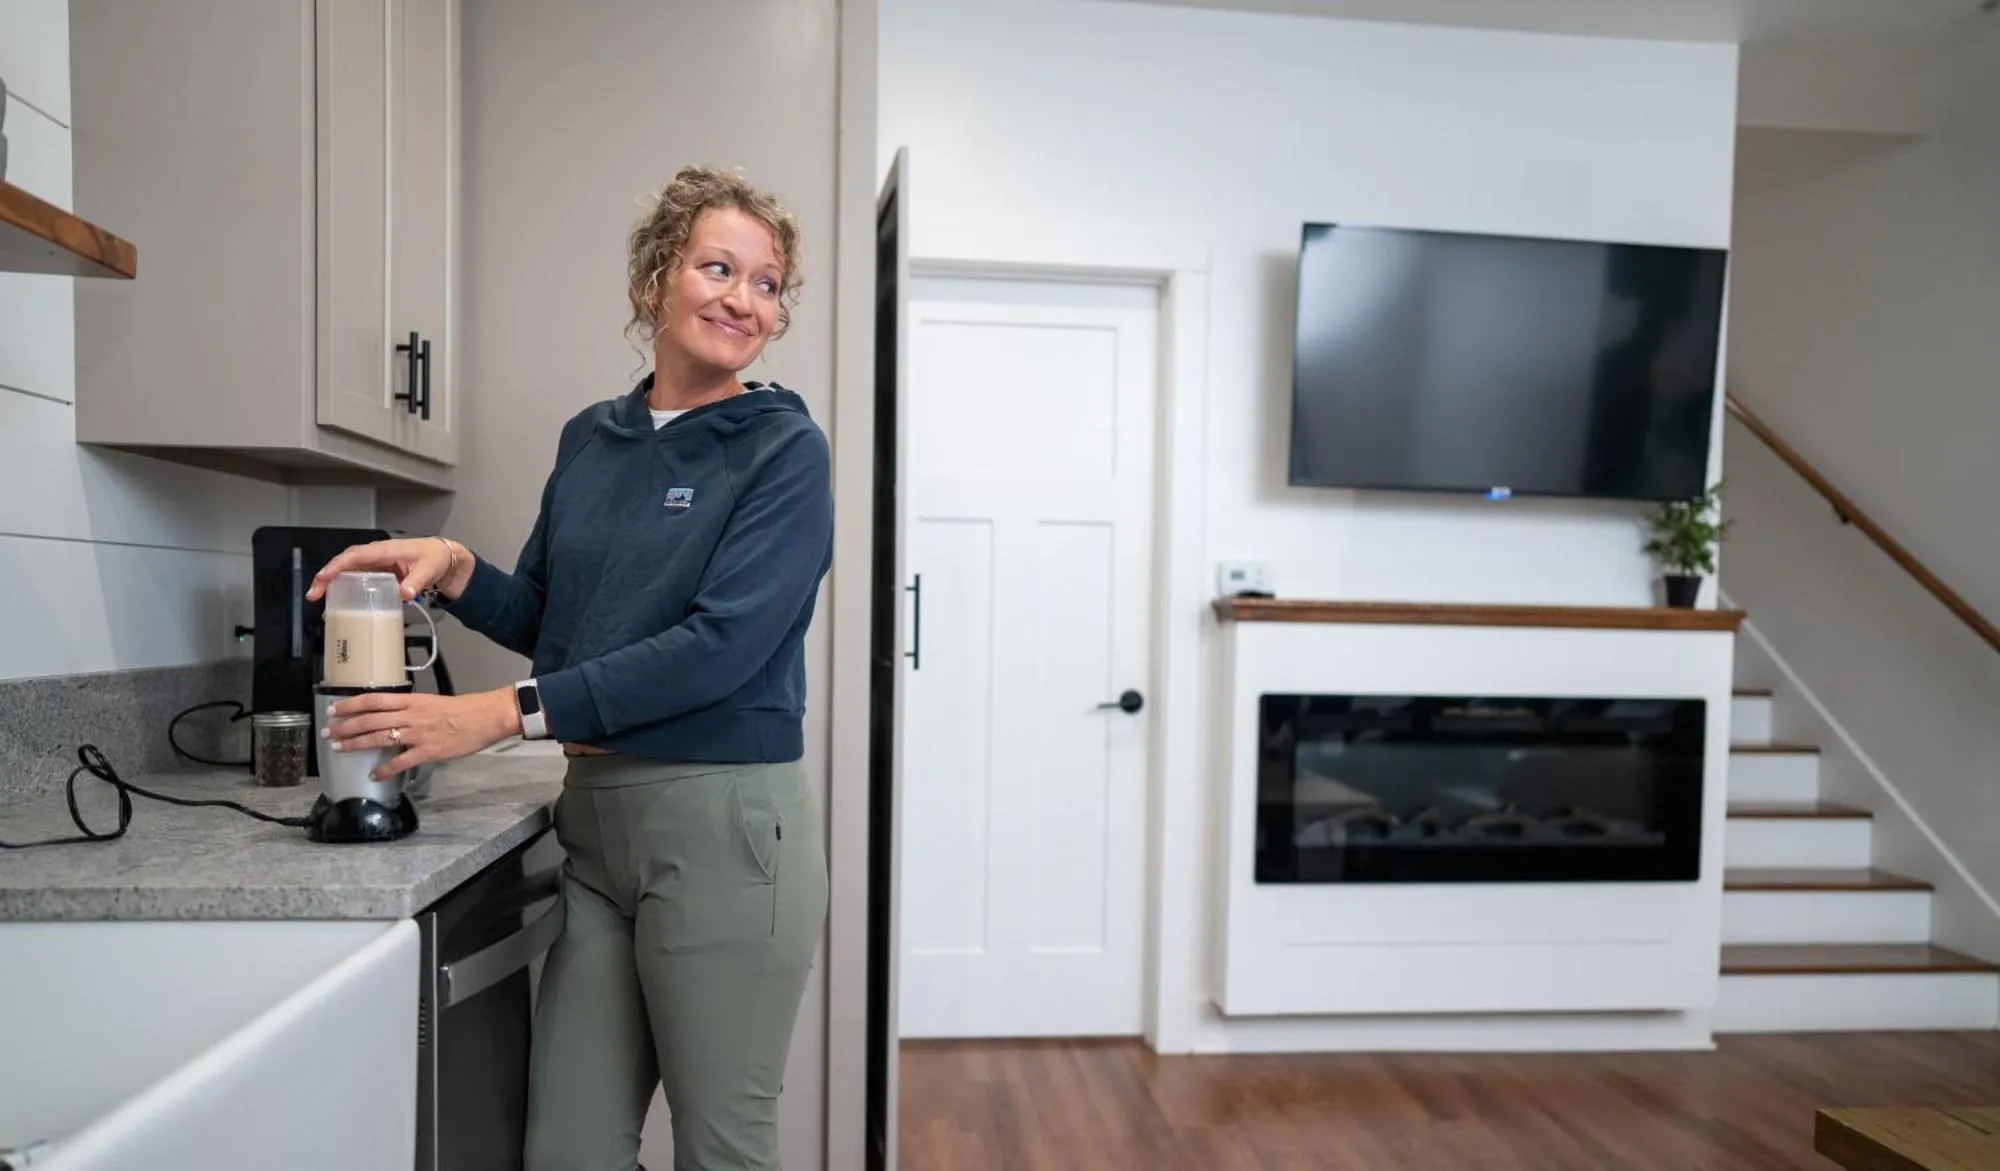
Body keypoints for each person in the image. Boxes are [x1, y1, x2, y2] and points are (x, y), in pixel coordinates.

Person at [307, 165, 833, 1171]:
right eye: (716, 266)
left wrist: (494, 715)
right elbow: (559, 625)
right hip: (594, 827)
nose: (742, 298)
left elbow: (721, 646)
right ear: (655, 281)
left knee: (722, 1148)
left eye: (766, 283)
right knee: (569, 1149)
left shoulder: (782, 450)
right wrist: (457, 570)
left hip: (721, 831)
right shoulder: (590, 439)